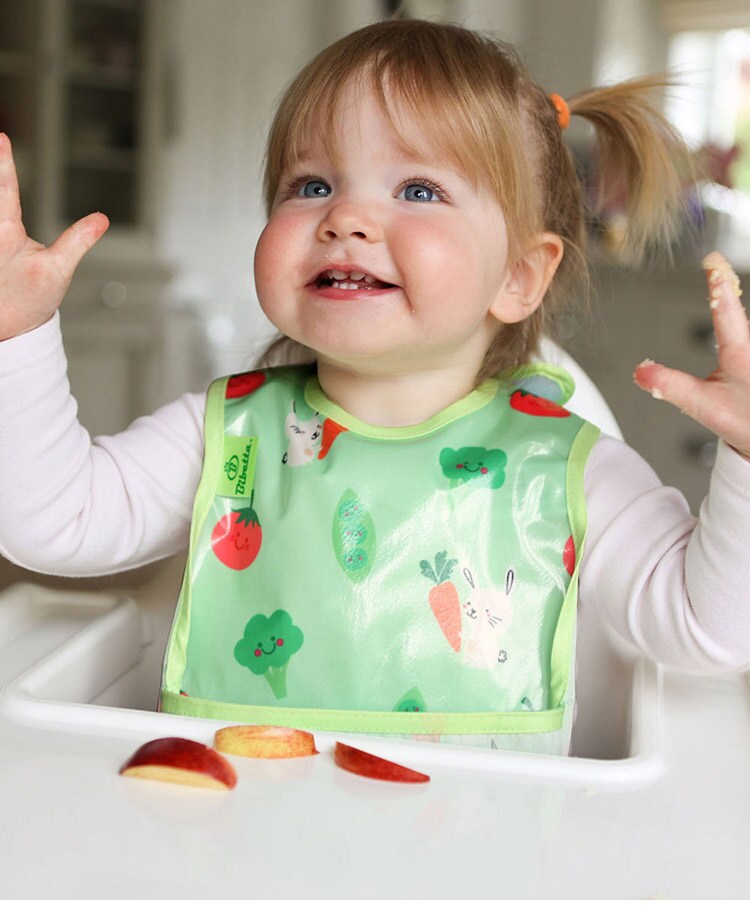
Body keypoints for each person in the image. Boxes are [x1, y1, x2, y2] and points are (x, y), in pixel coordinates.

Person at [0, 19, 748, 755]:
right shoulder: (228, 437)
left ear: (519, 276)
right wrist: (18, 335)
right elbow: (53, 522)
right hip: (243, 819)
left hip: (482, 832)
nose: (345, 217)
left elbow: (708, 630)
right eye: (312, 184)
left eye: (418, 189)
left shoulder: (566, 471)